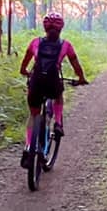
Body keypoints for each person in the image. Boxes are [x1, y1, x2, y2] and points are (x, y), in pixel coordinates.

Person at [19, 11, 88, 168]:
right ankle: (57, 122)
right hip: (52, 83)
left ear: (45, 28)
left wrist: (24, 71)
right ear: (61, 28)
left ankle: (28, 147)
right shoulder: (66, 45)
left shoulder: (35, 42)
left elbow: (25, 62)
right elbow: (75, 64)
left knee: (33, 114)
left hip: (36, 83)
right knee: (58, 95)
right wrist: (81, 78)